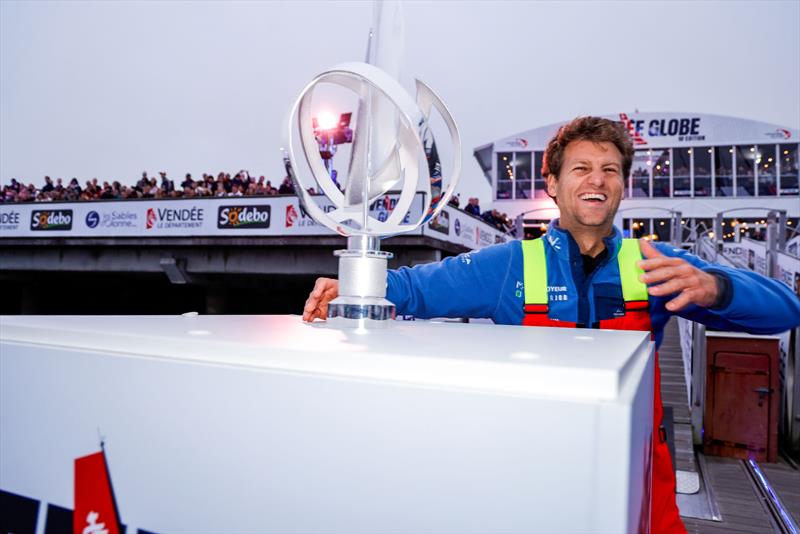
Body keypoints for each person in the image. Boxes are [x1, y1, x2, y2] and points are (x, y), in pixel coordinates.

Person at [302, 116, 800, 533]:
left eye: (610, 169)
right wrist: (349, 286)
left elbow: (785, 309)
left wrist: (717, 288)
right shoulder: (508, 266)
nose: (597, 180)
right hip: (534, 481)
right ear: (553, 186)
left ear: (623, 186)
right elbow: (413, 288)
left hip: (640, 480)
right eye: (581, 168)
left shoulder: (657, 263)